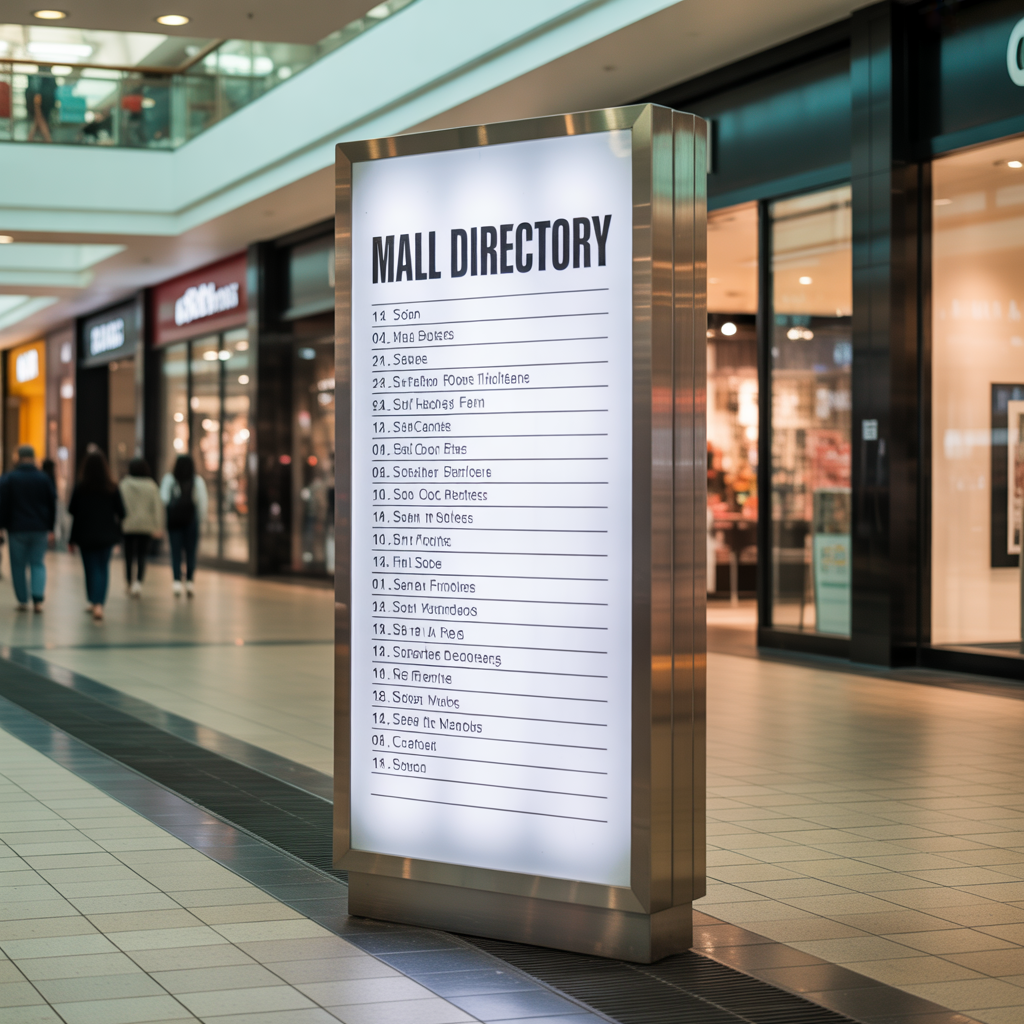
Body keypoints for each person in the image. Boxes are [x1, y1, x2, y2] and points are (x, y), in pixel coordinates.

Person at [68, 450, 125, 621]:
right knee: (102, 567)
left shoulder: (81, 487)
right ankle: (99, 603)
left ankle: (94, 601)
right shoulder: (112, 487)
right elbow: (122, 512)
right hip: (106, 534)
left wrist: (71, 539)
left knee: (90, 568)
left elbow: (72, 511)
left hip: (85, 534)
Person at [0, 445, 56, 612]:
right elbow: (51, 504)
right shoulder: (44, 478)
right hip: (39, 528)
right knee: (38, 563)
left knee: (18, 565)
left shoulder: (9, 478)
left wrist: (1, 526)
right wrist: (51, 527)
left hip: (17, 529)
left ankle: (22, 600)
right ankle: (38, 599)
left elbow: (2, 505)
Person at [160, 454, 207, 597]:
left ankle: (176, 582)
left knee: (175, 552)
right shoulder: (197, 481)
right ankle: (190, 582)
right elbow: (202, 504)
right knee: (190, 552)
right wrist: (200, 520)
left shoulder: (169, 479)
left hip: (174, 522)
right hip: (191, 522)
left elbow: (163, 499)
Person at [119, 458, 163, 597]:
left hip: (128, 524)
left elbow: (119, 505)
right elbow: (157, 507)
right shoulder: (151, 485)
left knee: (128, 555)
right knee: (142, 555)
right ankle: (138, 583)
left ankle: (128, 582)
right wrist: (158, 526)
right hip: (146, 525)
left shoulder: (124, 484)